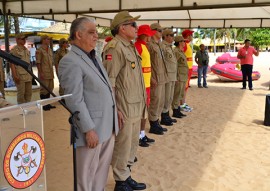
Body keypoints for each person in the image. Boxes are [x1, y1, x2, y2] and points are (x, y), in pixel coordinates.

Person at [59, 17, 118, 191]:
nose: (95, 36)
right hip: (91, 130)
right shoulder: (70, 61)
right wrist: (88, 129)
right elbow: (74, 99)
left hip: (107, 125)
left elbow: (105, 89)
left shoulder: (94, 57)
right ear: (78, 34)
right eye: (91, 32)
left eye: (96, 33)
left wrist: (117, 113)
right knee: (85, 178)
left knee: (100, 174)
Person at [103, 11, 147, 191]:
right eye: (133, 25)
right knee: (123, 143)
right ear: (122, 28)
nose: (136, 29)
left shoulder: (129, 46)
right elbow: (109, 82)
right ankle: (120, 181)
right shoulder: (114, 48)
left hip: (136, 103)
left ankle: (126, 174)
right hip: (125, 105)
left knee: (132, 142)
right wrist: (116, 108)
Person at [135, 24, 156, 147]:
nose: (150, 37)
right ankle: (138, 135)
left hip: (146, 83)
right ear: (143, 34)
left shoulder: (144, 46)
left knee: (145, 111)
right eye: (148, 35)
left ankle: (142, 134)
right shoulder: (138, 46)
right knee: (141, 111)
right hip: (141, 84)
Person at [147, 23, 168, 135]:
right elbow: (147, 63)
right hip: (155, 77)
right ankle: (153, 123)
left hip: (162, 77)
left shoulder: (159, 45)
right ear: (153, 31)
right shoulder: (149, 45)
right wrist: (150, 78)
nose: (161, 33)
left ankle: (157, 121)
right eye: (159, 30)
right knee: (155, 100)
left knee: (161, 100)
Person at [160, 29, 178, 126]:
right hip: (167, 75)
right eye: (171, 35)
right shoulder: (162, 47)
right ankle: (164, 116)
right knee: (166, 97)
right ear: (166, 36)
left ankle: (167, 115)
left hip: (172, 75)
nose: (173, 37)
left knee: (170, 97)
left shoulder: (170, 47)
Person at [10, 33, 32, 104]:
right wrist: (14, 75)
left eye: (25, 39)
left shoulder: (26, 49)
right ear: (17, 39)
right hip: (20, 75)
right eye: (22, 39)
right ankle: (21, 110)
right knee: (21, 94)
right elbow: (12, 63)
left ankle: (27, 109)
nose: (24, 40)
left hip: (28, 75)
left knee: (29, 93)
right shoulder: (14, 50)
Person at [36, 35, 55, 110]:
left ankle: (48, 103)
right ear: (43, 40)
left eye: (49, 39)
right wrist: (41, 73)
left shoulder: (49, 50)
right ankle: (44, 105)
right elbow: (38, 63)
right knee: (43, 89)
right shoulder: (39, 50)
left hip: (50, 72)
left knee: (50, 88)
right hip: (44, 72)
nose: (49, 41)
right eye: (48, 39)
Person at [172, 35, 188, 118]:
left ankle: (177, 110)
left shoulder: (181, 51)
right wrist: (176, 77)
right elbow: (174, 65)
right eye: (183, 41)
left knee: (180, 94)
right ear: (179, 42)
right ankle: (175, 111)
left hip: (183, 76)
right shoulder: (176, 51)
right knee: (177, 94)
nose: (185, 43)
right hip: (179, 76)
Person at [181, 29, 194, 112]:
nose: (192, 37)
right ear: (188, 36)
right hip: (186, 69)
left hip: (189, 69)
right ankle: (182, 104)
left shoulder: (187, 44)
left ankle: (184, 103)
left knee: (185, 87)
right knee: (183, 88)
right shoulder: (184, 45)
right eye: (191, 35)